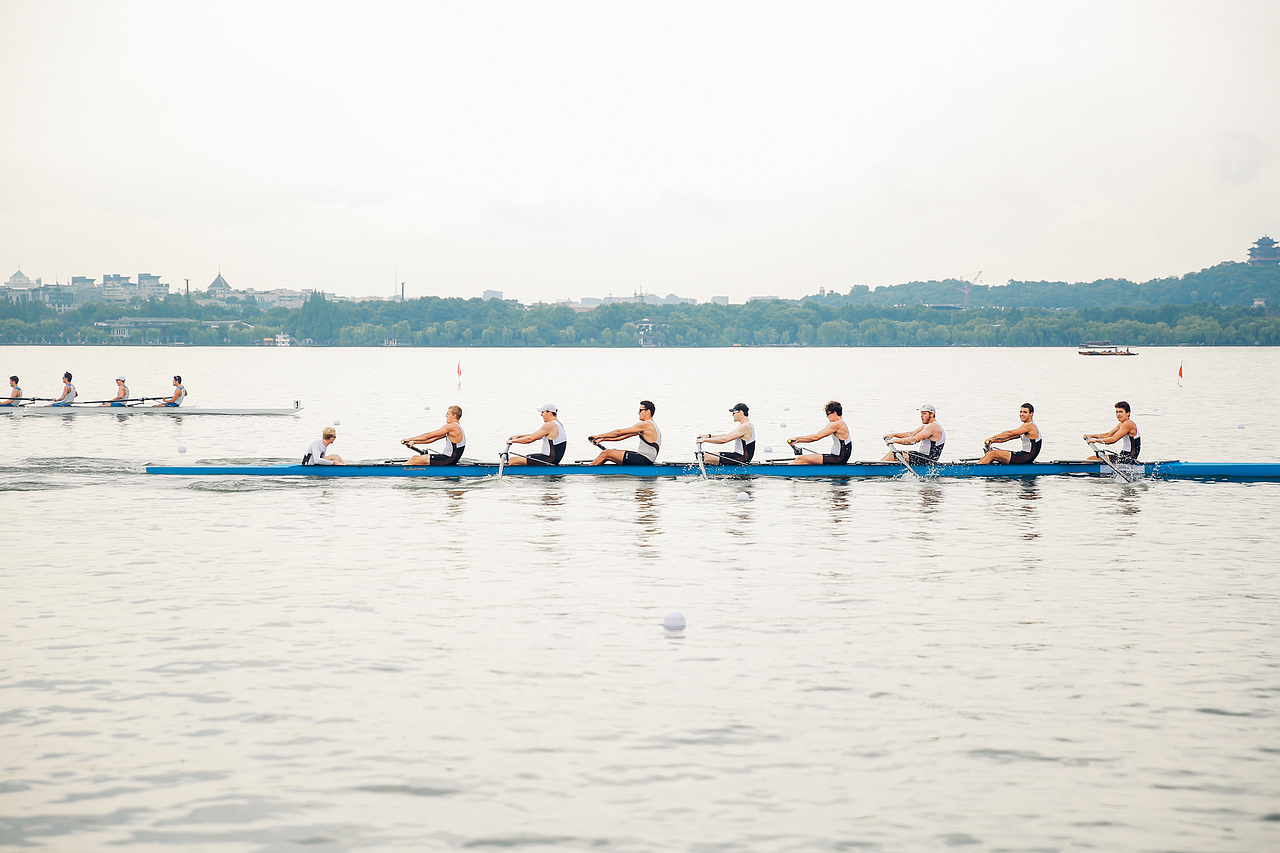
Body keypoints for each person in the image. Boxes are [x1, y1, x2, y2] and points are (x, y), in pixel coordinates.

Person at [588, 400, 662, 465]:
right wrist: (602, 439)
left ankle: (587, 471)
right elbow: (621, 437)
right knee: (612, 453)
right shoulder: (652, 426)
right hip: (646, 460)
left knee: (606, 453)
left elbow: (619, 432)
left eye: (640, 410)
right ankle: (596, 470)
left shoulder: (645, 425)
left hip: (644, 460)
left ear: (648, 412)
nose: (638, 413)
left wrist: (598, 436)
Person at [787, 401, 851, 465]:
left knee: (801, 459)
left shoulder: (837, 424)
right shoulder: (841, 423)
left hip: (838, 458)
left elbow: (816, 437)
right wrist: (798, 440)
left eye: (828, 413)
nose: (827, 416)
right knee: (805, 462)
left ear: (834, 413)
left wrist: (797, 439)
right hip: (837, 457)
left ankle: (784, 472)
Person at [882, 404, 946, 463]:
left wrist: (894, 441)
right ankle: (877, 466)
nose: (922, 416)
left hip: (929, 460)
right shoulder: (927, 426)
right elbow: (912, 434)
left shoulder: (933, 426)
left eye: (924, 414)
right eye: (921, 414)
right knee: (893, 452)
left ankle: (875, 469)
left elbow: (914, 440)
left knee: (893, 455)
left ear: (932, 414)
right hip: (922, 457)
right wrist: (893, 435)